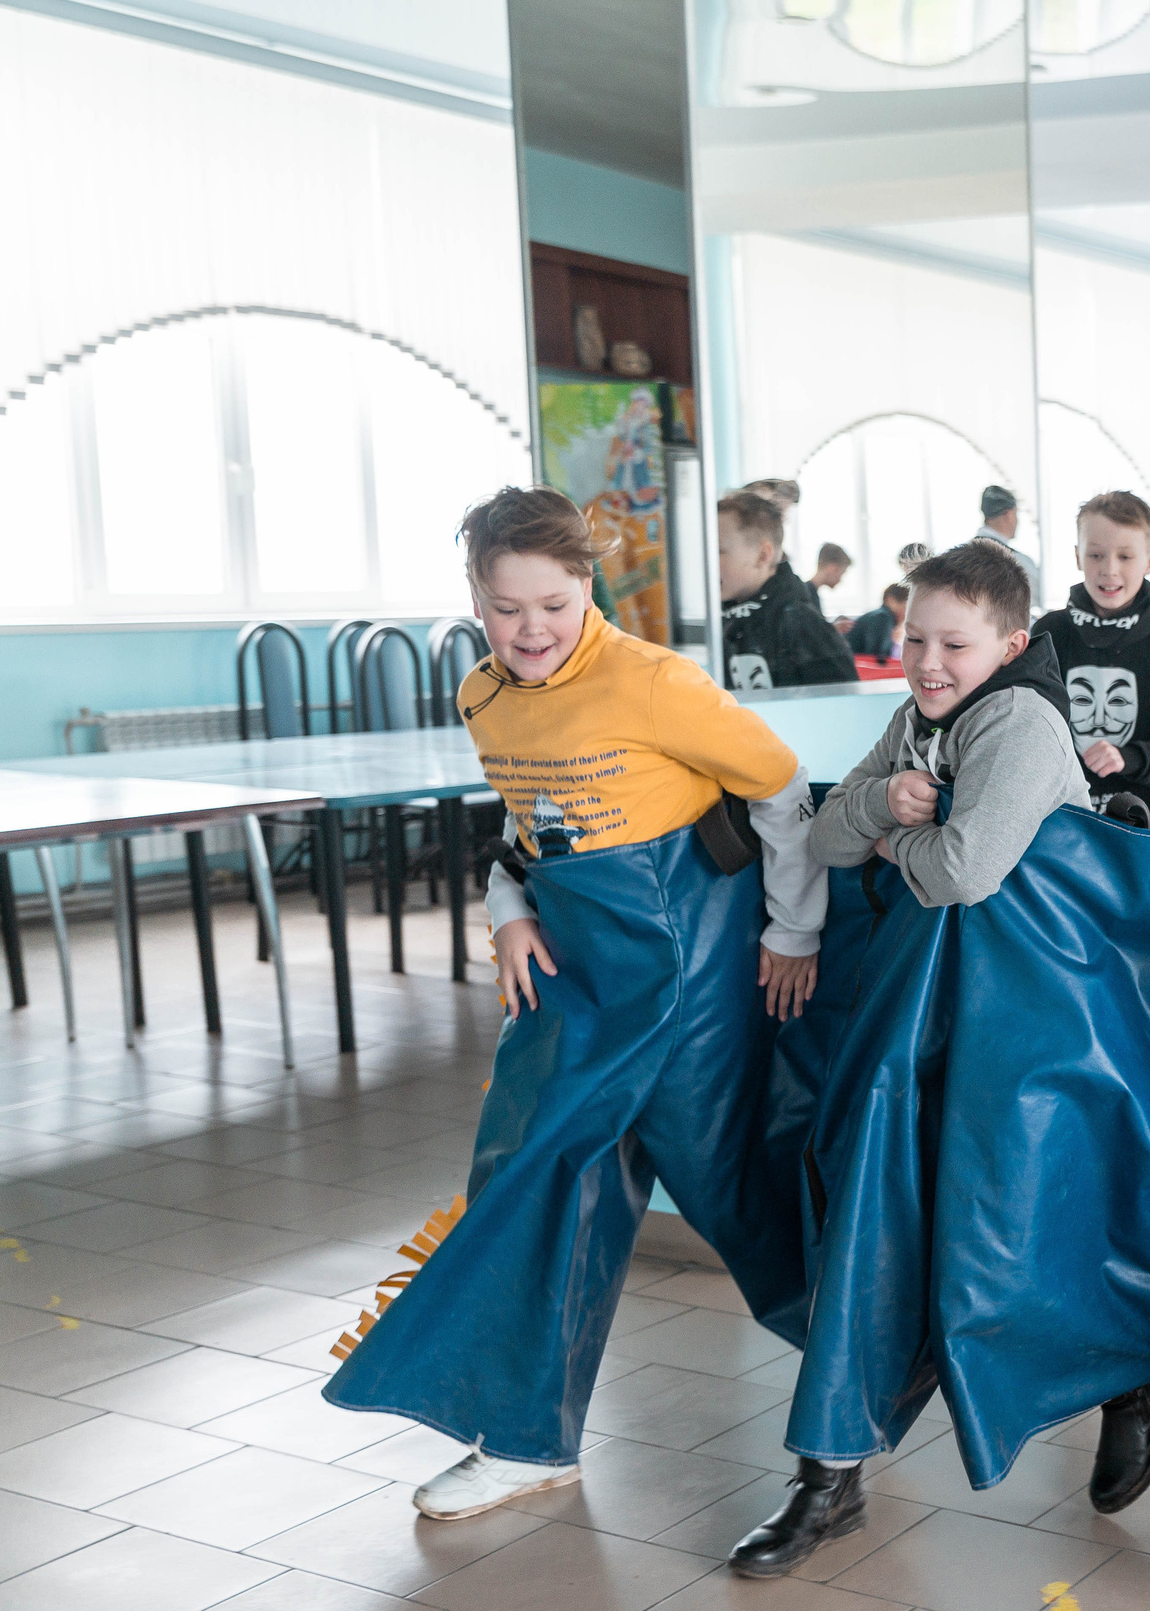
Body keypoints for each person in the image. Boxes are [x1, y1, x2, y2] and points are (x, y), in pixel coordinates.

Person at [320, 486, 825, 1520]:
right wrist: (507, 913)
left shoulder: (653, 683)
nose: (532, 630)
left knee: (737, 1190)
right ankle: (526, 1437)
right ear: (475, 598)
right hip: (573, 977)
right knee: (537, 1180)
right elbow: (525, 831)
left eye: (552, 603)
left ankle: (875, 1356)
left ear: (586, 588)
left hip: (688, 972)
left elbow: (781, 788)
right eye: (507, 609)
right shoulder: (482, 697)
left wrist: (792, 930)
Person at [730, 540, 1106, 1576]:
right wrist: (880, 808)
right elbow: (824, 839)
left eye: (953, 643)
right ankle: (830, 1472)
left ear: (1012, 645)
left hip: (1032, 1028)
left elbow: (960, 875)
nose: (927, 660)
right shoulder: (916, 719)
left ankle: (1129, 1381)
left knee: (1025, 1230)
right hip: (930, 1017)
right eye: (913, 636)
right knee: (874, 1212)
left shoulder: (1020, 723)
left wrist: (896, 837)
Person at [1031, 491, 1150, 830]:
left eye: (1125, 557)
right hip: (1070, 814)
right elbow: (1028, 725)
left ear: (1149, 560)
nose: (1109, 570)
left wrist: (1129, 757)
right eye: (1096, 555)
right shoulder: (1048, 632)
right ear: (1077, 556)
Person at [714, 489, 856, 691]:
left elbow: (841, 704)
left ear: (763, 556)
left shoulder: (798, 622)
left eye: (719, 551)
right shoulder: (723, 620)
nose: (706, 563)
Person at [972, 484, 1045, 620]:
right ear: (1009, 514)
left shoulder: (960, 557)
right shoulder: (1018, 561)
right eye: (1016, 514)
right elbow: (1041, 595)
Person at [846, 581, 910, 662]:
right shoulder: (882, 618)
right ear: (891, 600)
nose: (908, 613)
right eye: (907, 606)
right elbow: (877, 658)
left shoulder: (877, 616)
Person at [806, 543, 853, 628]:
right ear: (832, 569)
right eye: (841, 574)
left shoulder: (810, 592)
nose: (840, 580)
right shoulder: (807, 595)